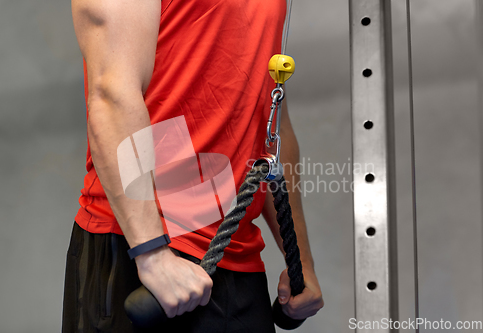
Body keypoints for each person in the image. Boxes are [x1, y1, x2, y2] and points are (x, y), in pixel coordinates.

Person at [62, 0, 324, 332]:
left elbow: (269, 117)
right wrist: (151, 254)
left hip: (234, 252)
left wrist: (300, 260)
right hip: (145, 254)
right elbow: (113, 94)